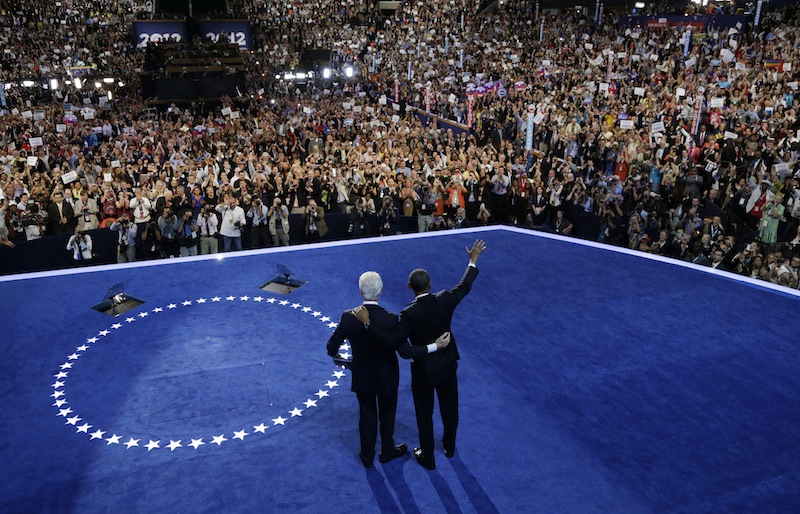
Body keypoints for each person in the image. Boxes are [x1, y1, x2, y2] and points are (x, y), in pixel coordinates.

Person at [356, 239, 486, 470]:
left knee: (424, 414)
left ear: (409, 286)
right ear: (430, 284)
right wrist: (473, 260)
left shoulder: (408, 314)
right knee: (450, 408)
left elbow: (393, 344)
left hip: (423, 371)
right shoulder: (445, 298)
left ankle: (427, 456)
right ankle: (449, 446)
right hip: (447, 365)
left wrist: (368, 324)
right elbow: (464, 285)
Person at [327, 271, 451, 469]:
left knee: (366, 413)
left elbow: (331, 349)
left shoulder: (348, 318)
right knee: (387, 413)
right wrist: (435, 346)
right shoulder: (391, 320)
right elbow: (406, 352)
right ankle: (387, 451)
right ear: (381, 291)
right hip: (387, 377)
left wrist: (347, 361)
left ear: (360, 292)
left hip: (362, 376)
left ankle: (367, 456)